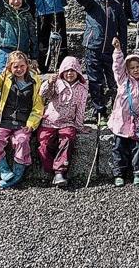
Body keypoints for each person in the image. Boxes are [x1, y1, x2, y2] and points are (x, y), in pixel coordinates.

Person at [0, 53, 43, 189]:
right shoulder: (5, 78)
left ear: (27, 65)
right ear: (9, 67)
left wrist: (31, 124)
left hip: (23, 122)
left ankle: (17, 174)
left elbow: (38, 107)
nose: (19, 69)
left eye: (22, 66)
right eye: (15, 67)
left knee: (22, 141)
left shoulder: (35, 81)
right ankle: (4, 171)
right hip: (4, 120)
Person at [75, 0, 127, 119]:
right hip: (93, 48)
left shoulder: (117, 7)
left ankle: (116, 108)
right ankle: (99, 109)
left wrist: (122, 49)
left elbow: (122, 29)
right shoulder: (92, 4)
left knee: (113, 81)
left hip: (111, 51)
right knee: (95, 81)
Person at [109, 38, 139, 186]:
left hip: (138, 124)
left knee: (138, 149)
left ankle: (138, 172)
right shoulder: (123, 81)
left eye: (138, 67)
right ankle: (119, 173)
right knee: (118, 148)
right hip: (121, 122)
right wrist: (118, 50)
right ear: (127, 70)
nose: (135, 70)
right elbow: (117, 67)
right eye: (132, 68)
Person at [38, 57, 89, 187]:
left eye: (73, 70)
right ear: (61, 72)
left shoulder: (82, 88)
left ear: (78, 72)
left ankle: (59, 172)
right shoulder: (56, 82)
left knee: (68, 139)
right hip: (49, 121)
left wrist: (79, 126)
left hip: (67, 122)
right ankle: (51, 169)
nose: (70, 73)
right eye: (66, 70)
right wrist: (49, 83)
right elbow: (43, 94)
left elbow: (81, 108)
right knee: (44, 143)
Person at [0, 0, 38, 74]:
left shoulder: (27, 15)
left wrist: (34, 57)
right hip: (6, 52)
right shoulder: (2, 12)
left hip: (22, 53)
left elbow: (33, 37)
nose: (16, 1)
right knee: (3, 79)